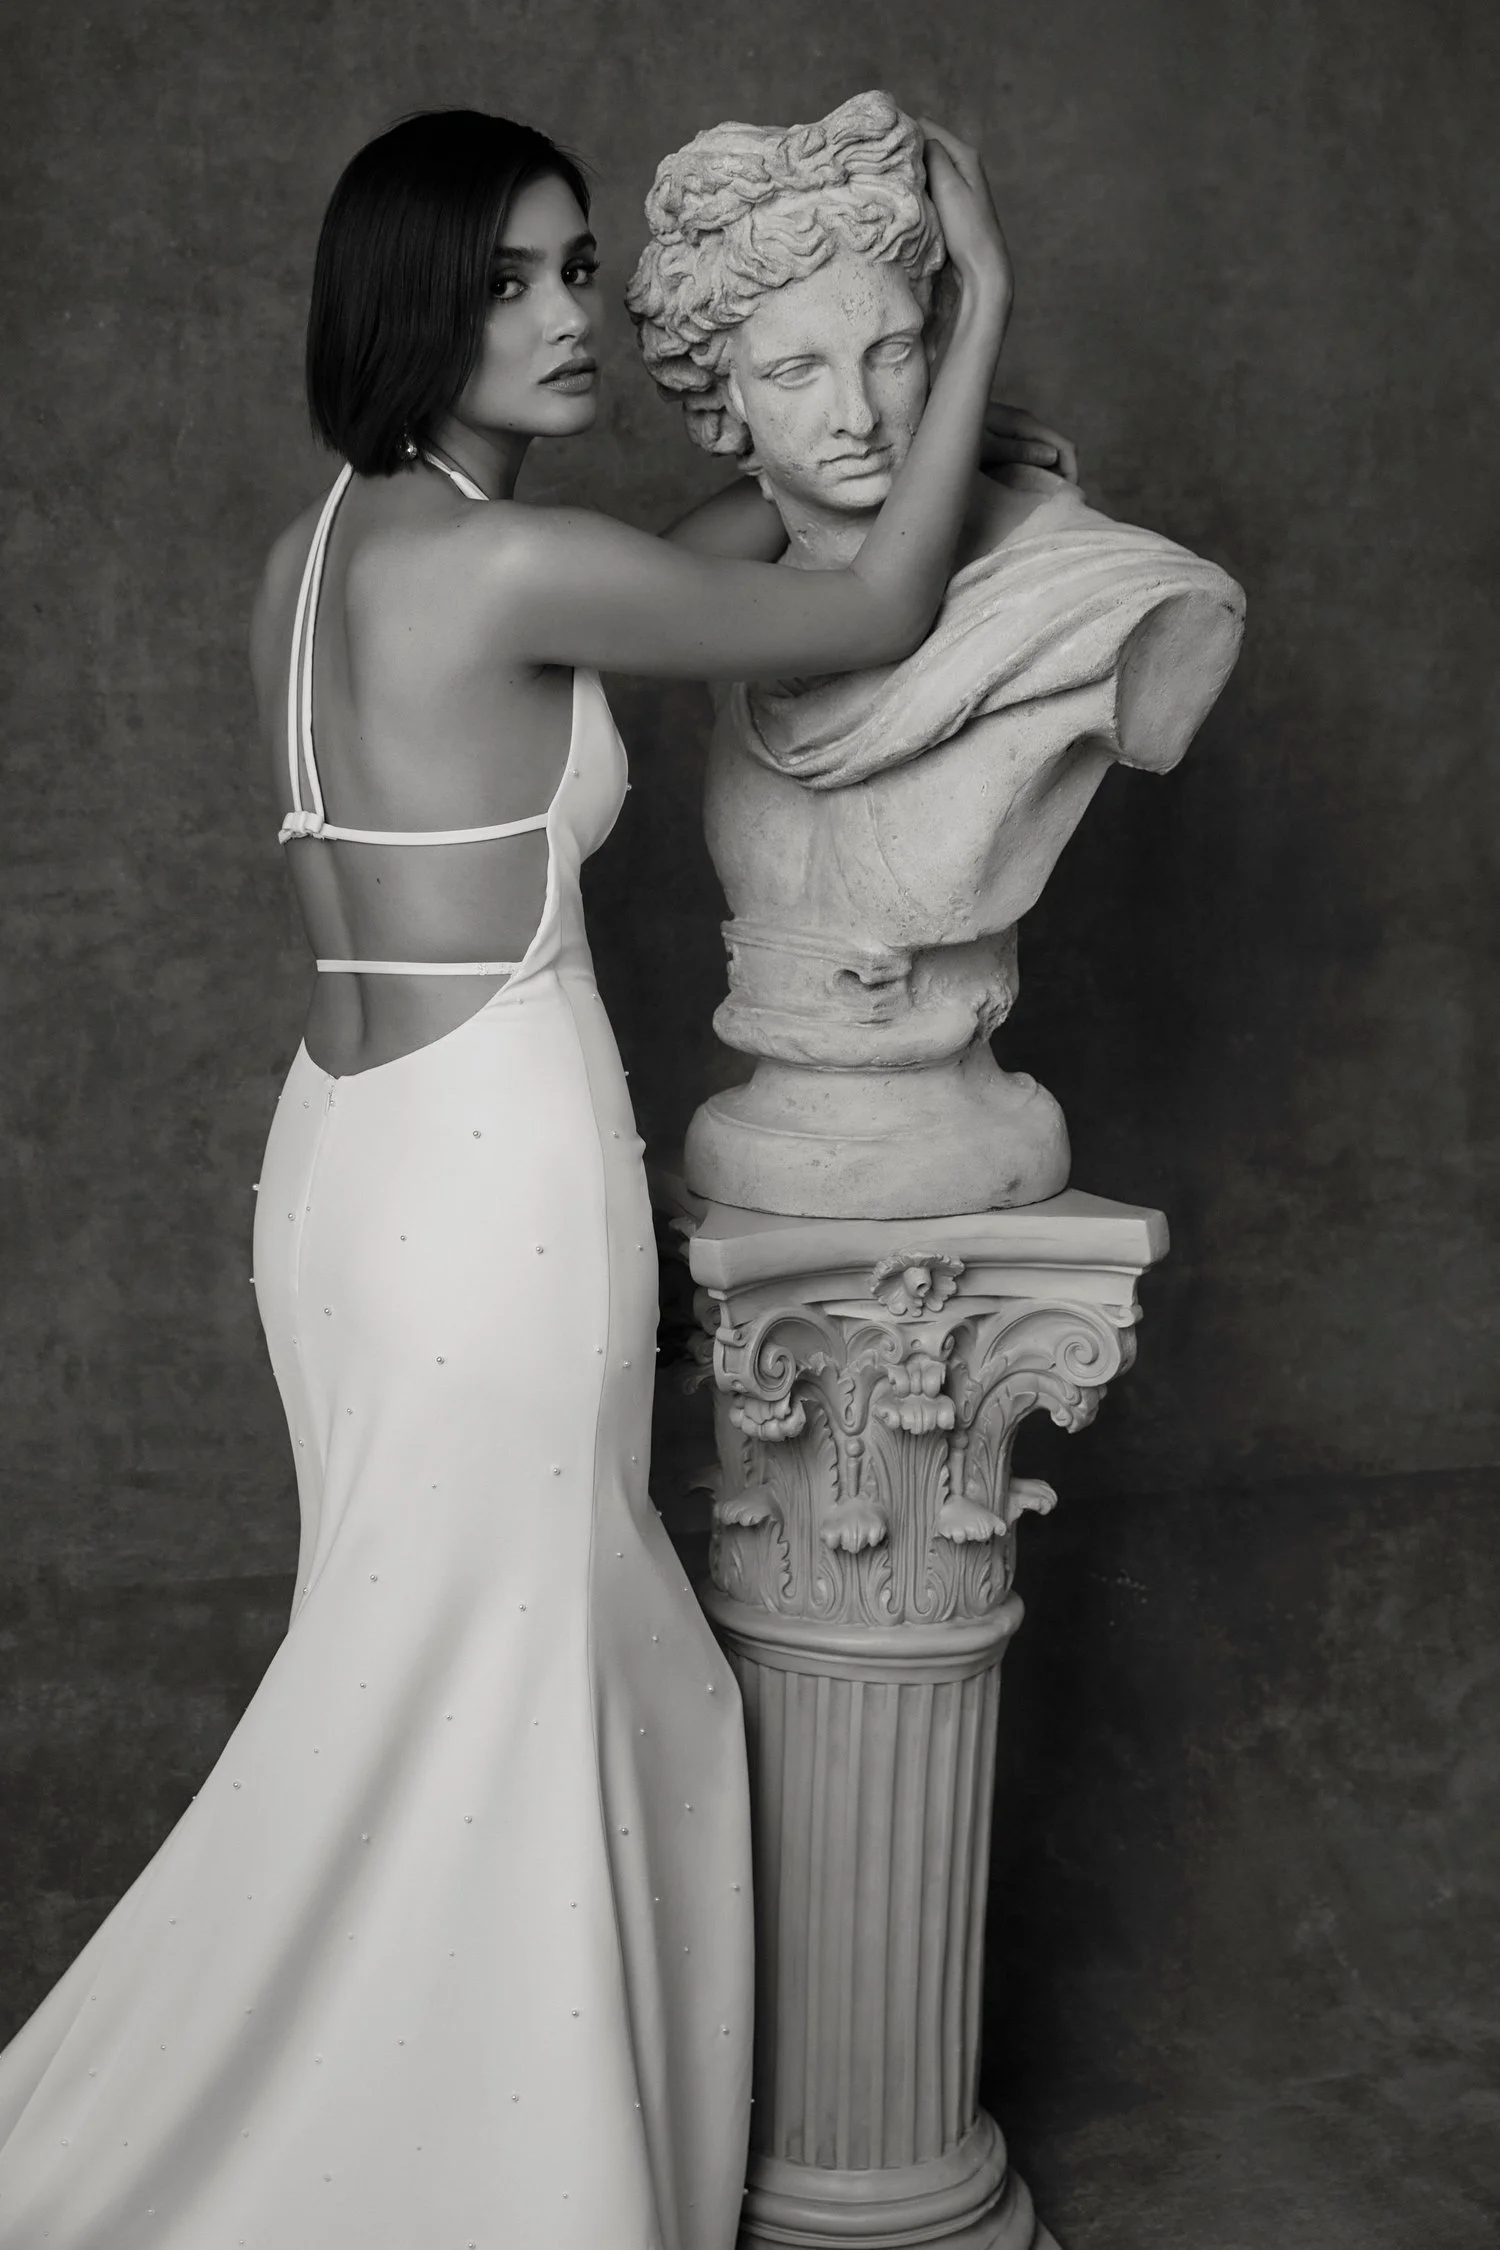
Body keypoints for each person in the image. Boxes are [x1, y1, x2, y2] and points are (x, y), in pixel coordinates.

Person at [0, 105, 1061, 2249]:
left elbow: (668, 572)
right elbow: (870, 596)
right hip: (495, 1180)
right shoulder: (502, 567)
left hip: (341, 1184)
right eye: (513, 281)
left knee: (440, 1680)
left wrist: (765, 497)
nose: (571, 314)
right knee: (519, 1686)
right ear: (411, 305)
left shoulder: (324, 556)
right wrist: (982, 315)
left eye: (578, 269)